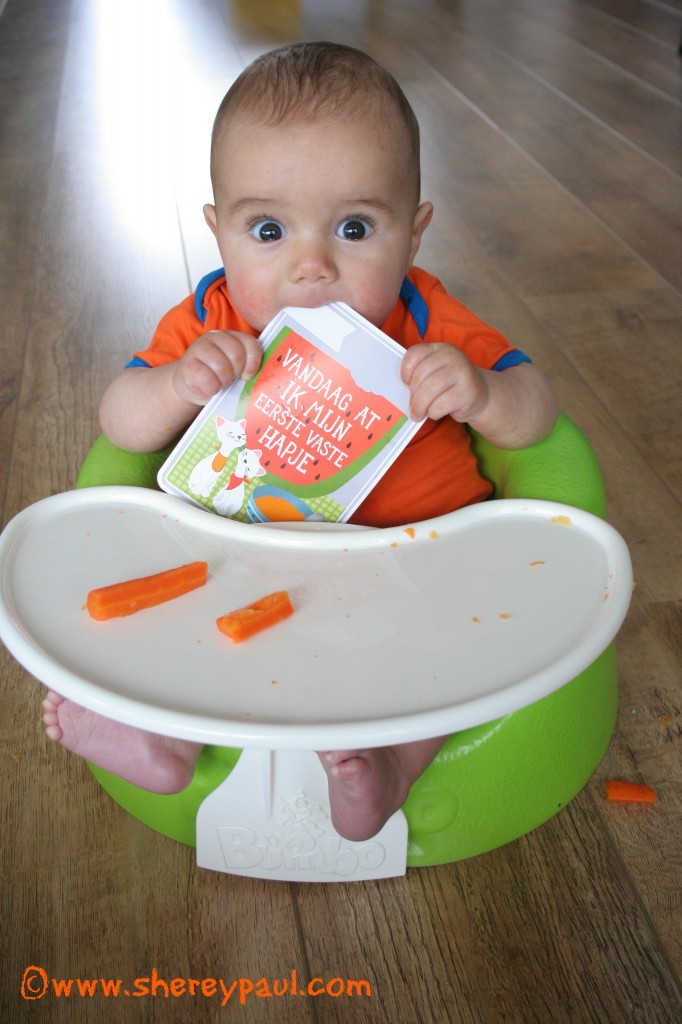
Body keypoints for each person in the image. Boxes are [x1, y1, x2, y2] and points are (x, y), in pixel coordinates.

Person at [43, 42, 557, 842]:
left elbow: (538, 419)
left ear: (414, 234)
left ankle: (392, 765)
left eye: (354, 227)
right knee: (189, 629)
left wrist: (484, 392)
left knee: (449, 663)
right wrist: (179, 382)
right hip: (244, 561)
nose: (311, 267)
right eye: (269, 229)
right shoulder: (212, 322)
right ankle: (161, 739)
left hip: (416, 565)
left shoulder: (425, 322)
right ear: (218, 234)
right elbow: (120, 424)